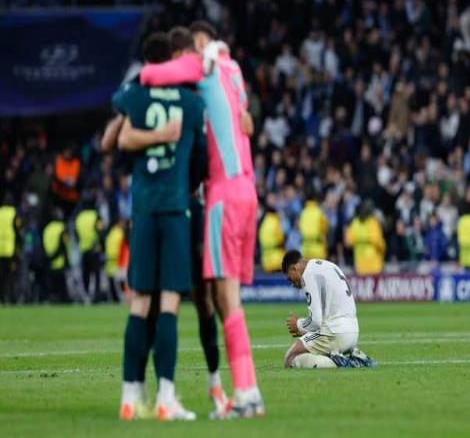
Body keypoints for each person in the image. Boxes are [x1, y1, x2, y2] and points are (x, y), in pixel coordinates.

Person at [140, 21, 264, 418]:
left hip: (222, 195)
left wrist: (153, 73)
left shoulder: (206, 65)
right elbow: (244, 117)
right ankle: (248, 392)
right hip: (248, 190)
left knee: (226, 299)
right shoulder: (234, 71)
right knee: (228, 300)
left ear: (201, 45)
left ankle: (245, 393)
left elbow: (154, 75)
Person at [111, 29, 206, 421]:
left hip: (144, 210)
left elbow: (119, 135)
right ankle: (166, 397)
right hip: (175, 209)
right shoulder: (191, 103)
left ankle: (129, 397)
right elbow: (201, 161)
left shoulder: (135, 96)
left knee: (139, 303)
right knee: (169, 303)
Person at [281, 250, 375, 369]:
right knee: (310, 349)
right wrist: (308, 332)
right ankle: (355, 358)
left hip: (335, 333)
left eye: (290, 279)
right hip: (353, 332)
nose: (293, 284)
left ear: (294, 268)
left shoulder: (308, 274)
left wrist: (298, 324)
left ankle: (341, 362)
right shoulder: (327, 265)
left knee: (290, 359)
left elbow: (315, 321)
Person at [75, 191, 104, 303]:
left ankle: (86, 296)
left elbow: (76, 235)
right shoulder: (96, 216)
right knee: (96, 274)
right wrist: (102, 247)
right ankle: (96, 296)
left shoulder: (79, 217)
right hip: (95, 249)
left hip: (83, 250)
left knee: (85, 274)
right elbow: (101, 232)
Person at [345, 199, 386, 275]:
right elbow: (379, 242)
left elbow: (348, 242)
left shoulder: (354, 223)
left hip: (360, 262)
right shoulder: (373, 222)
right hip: (374, 263)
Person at [42, 208, 70, 303]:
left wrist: (49, 257)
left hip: (49, 262)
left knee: (53, 288)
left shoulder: (47, 228)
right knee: (63, 289)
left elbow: (43, 244)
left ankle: (53, 298)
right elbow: (64, 245)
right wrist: (67, 260)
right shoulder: (62, 228)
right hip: (60, 261)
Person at [0, 195, 21, 302]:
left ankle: (2, 297)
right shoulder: (14, 213)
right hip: (10, 251)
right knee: (11, 275)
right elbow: (18, 231)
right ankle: (10, 298)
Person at [299, 191, 329, 260]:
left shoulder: (303, 213)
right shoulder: (319, 212)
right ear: (315, 200)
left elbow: (300, 228)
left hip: (305, 248)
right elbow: (325, 228)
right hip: (317, 248)